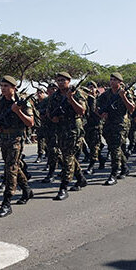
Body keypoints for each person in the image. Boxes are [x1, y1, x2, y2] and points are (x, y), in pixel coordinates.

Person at [0, 76, 34, 217]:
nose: (3, 88)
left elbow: (30, 122)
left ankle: (6, 203)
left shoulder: (22, 102)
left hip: (16, 138)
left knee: (10, 169)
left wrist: (17, 111)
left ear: (13, 88)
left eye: (6, 86)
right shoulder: (0, 101)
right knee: (14, 166)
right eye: (1, 85)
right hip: (4, 138)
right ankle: (27, 189)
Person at [47, 72, 87, 200]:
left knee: (67, 156)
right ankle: (80, 178)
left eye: (63, 80)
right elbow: (49, 112)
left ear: (69, 81)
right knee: (66, 155)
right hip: (60, 129)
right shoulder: (55, 96)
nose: (60, 82)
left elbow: (81, 111)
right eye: (58, 80)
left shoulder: (77, 93)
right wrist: (53, 118)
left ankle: (63, 187)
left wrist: (71, 99)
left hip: (74, 128)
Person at [97, 72, 135, 185]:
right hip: (108, 123)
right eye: (111, 79)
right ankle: (124, 167)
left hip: (120, 124)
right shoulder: (107, 93)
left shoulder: (125, 92)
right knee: (115, 148)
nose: (112, 81)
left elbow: (132, 108)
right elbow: (96, 105)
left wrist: (123, 97)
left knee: (115, 148)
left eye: (115, 80)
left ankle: (114, 173)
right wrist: (102, 114)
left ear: (120, 82)